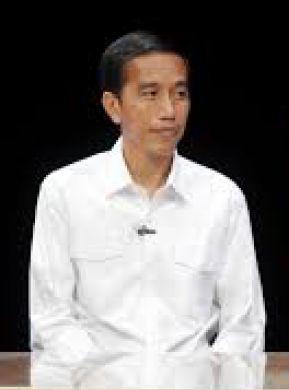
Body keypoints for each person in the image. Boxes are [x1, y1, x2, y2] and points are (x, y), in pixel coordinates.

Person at [30, 31, 265, 359]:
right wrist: (105, 378)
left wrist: (208, 380)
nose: (169, 110)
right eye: (150, 94)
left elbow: (243, 327)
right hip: (93, 382)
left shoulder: (222, 197)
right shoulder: (64, 191)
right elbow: (52, 321)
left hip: (196, 383)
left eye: (179, 94)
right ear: (113, 106)